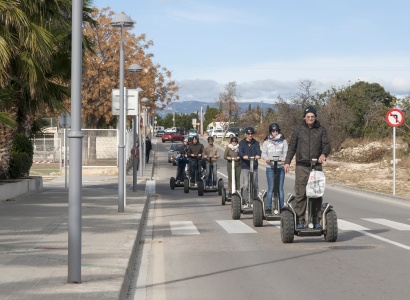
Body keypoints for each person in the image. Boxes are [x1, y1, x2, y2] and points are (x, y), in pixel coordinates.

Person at [284, 106, 331, 229]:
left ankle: (316, 219)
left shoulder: (321, 129)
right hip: (302, 166)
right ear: (304, 117)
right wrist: (287, 162)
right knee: (301, 194)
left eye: (312, 116)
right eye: (308, 116)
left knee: (316, 193)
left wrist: (323, 154)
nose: (310, 118)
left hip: (316, 166)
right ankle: (300, 219)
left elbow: (327, 145)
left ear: (315, 117)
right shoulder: (298, 129)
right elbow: (292, 146)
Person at [261, 123, 288, 214]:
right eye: (273, 131)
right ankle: (268, 208)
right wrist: (266, 158)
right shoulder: (266, 142)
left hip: (280, 167)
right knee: (271, 188)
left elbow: (286, 153)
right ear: (270, 131)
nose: (275, 132)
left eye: (276, 130)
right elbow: (263, 153)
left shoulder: (283, 142)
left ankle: (282, 207)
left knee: (280, 188)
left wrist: (284, 159)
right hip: (270, 167)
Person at [238, 127, 261, 208]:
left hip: (254, 166)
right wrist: (243, 155)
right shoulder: (242, 143)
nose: (250, 135)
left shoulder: (256, 143)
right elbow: (240, 151)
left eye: (251, 134)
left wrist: (258, 155)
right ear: (246, 134)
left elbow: (258, 151)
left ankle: (255, 201)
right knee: (246, 184)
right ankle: (245, 201)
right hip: (245, 166)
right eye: (248, 134)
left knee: (255, 184)